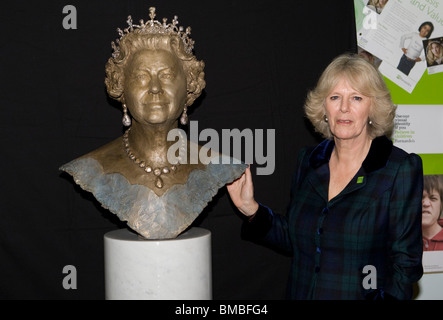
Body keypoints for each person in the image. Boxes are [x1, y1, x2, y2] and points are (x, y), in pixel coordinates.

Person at [228, 53, 423, 300]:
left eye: (356, 98)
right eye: (335, 97)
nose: (344, 107)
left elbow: (405, 267)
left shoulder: (398, 169)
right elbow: (295, 238)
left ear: (372, 107)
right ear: (324, 108)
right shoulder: (309, 162)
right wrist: (251, 209)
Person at [60, 8, 247, 239]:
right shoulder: (90, 168)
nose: (155, 88)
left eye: (167, 75)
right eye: (141, 76)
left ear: (189, 86)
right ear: (122, 88)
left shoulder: (219, 166)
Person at [422, 175, 443, 251]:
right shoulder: (398, 241)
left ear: (441, 205)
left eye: (433, 198)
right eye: (420, 197)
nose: (426, 203)